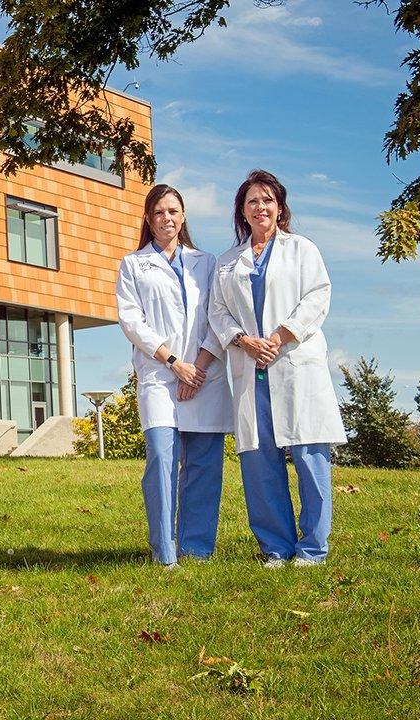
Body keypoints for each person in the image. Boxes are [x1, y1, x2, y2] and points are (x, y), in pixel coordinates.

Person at [209, 169, 346, 568]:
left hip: (293, 362)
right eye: (252, 201)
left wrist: (281, 336)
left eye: (267, 200)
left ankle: (313, 548)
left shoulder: (302, 249)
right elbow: (216, 311)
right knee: (259, 461)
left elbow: (318, 295)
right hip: (251, 367)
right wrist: (242, 339)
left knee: (308, 454)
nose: (260, 207)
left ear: (280, 208)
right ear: (242, 212)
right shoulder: (226, 262)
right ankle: (276, 546)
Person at [115, 184, 233, 567]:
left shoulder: (207, 262)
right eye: (160, 212)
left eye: (174, 211)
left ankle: (197, 550)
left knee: (204, 467)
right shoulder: (134, 265)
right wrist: (174, 363)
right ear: (148, 219)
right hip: (159, 376)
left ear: (183, 217)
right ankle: (165, 552)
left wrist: (196, 367)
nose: (168, 218)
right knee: (162, 462)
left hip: (204, 375)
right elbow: (132, 321)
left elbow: (220, 318)